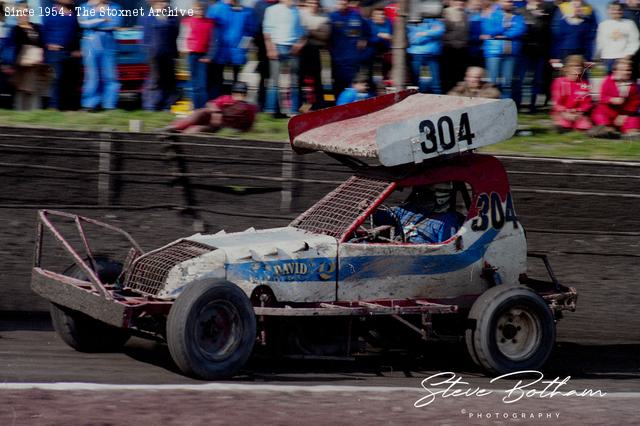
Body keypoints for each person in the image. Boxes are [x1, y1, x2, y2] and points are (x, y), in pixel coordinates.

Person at [371, 183, 464, 244]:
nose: (421, 197)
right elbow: (384, 216)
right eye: (421, 193)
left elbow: (446, 252)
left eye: (427, 194)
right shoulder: (410, 209)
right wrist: (373, 211)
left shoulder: (448, 222)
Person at [77, 0, 123, 111]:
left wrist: (94, 22)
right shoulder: (84, 7)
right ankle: (90, 104)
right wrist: (103, 19)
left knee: (111, 75)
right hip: (89, 43)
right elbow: (83, 23)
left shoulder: (115, 7)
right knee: (92, 74)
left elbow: (115, 23)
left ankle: (110, 104)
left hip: (109, 44)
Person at [263, 0, 306, 116]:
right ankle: (270, 110)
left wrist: (298, 45)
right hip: (277, 45)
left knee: (294, 82)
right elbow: (267, 32)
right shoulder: (272, 10)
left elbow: (302, 31)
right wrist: (270, 48)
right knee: (274, 81)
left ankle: (294, 111)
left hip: (293, 48)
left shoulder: (297, 11)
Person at [163, 81, 258, 133]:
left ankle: (180, 136)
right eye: (237, 93)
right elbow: (210, 103)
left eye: (242, 94)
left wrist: (236, 130)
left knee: (198, 129)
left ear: (246, 95)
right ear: (232, 93)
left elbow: (248, 127)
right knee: (200, 112)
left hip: (218, 126)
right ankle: (172, 127)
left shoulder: (250, 108)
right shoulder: (226, 99)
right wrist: (217, 113)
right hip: (209, 117)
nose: (239, 96)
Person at [206, 0, 256, 99]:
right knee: (217, 79)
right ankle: (216, 102)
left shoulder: (246, 11)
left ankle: (235, 103)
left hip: (237, 52)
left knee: (236, 81)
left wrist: (243, 46)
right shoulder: (216, 8)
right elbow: (208, 27)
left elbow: (250, 31)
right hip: (218, 52)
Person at [5, 4, 51, 110]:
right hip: (22, 67)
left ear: (29, 14)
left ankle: (34, 114)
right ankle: (20, 114)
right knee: (22, 91)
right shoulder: (15, 30)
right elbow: (10, 47)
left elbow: (42, 44)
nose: (23, 15)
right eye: (20, 13)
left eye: (25, 13)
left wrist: (39, 55)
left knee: (34, 90)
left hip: (36, 66)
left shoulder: (36, 28)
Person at [514, 0, 555, 112]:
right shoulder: (520, 10)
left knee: (536, 80)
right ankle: (517, 104)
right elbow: (519, 29)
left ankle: (532, 105)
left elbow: (549, 31)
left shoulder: (546, 10)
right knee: (521, 79)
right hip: (524, 51)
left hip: (540, 51)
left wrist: (542, 17)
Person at [481, 0, 526, 99]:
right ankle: (491, 106)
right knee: (492, 82)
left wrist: (503, 35)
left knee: (507, 83)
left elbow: (520, 30)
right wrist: (504, 26)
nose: (509, 3)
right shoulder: (491, 14)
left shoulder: (517, 15)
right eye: (507, 1)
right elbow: (488, 30)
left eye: (511, 2)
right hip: (493, 51)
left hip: (510, 51)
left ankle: (506, 108)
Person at [42, 0, 81, 110]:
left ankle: (67, 108)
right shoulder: (51, 12)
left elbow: (77, 33)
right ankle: (53, 107)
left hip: (68, 52)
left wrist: (77, 49)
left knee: (69, 80)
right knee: (55, 79)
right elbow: (44, 30)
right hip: (54, 53)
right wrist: (48, 44)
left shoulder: (74, 13)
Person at [142, 0, 180, 111]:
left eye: (164, 2)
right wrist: (149, 51)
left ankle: (167, 106)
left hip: (169, 53)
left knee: (169, 80)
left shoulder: (172, 17)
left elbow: (175, 33)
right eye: (159, 2)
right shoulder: (147, 16)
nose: (162, 5)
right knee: (155, 80)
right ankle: (151, 106)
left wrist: (175, 53)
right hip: (154, 54)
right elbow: (146, 37)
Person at [328, 0, 369, 99]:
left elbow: (367, 30)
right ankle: (337, 106)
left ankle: (352, 105)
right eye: (340, 3)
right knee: (338, 84)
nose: (343, 5)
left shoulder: (355, 15)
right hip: (337, 58)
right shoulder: (331, 17)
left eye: (345, 3)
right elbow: (327, 36)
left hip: (353, 57)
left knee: (353, 84)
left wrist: (364, 39)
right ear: (336, 4)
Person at [591, 59, 640, 138]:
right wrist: (611, 99)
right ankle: (607, 130)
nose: (626, 72)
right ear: (615, 71)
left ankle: (630, 132)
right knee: (599, 115)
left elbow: (634, 102)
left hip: (622, 113)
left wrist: (625, 114)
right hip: (607, 111)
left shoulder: (632, 86)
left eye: (628, 70)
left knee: (633, 120)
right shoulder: (608, 81)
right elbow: (602, 97)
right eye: (622, 70)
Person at [407, 3, 445, 94]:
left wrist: (423, 33)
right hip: (416, 54)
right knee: (415, 82)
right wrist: (430, 34)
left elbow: (440, 31)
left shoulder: (433, 20)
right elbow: (414, 39)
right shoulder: (410, 23)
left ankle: (438, 99)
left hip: (432, 54)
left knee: (436, 83)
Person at [182, 2, 214, 109]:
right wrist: (184, 50)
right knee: (194, 84)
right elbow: (183, 37)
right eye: (197, 10)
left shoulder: (209, 23)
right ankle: (196, 107)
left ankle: (203, 108)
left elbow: (213, 41)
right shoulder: (187, 22)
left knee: (202, 84)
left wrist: (209, 56)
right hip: (192, 55)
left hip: (203, 56)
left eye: (201, 10)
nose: (199, 12)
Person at [550, 55, 593, 132]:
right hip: (562, 113)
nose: (576, 68)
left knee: (584, 126)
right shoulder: (558, 82)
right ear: (566, 68)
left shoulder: (584, 84)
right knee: (563, 125)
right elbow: (556, 103)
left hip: (578, 113)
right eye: (573, 66)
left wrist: (579, 112)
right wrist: (564, 113)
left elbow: (587, 103)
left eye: (579, 66)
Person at [299, 0, 329, 111]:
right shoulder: (300, 14)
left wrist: (309, 32)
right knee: (300, 79)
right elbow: (299, 32)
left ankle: (319, 105)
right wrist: (315, 31)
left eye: (315, 3)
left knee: (317, 80)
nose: (312, 5)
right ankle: (301, 104)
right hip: (301, 50)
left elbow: (325, 35)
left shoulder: (323, 17)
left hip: (315, 51)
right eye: (310, 3)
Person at [595, 1, 639, 73]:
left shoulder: (629, 23)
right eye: (613, 9)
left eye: (619, 9)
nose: (616, 12)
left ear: (622, 11)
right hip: (608, 58)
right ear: (608, 11)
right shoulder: (603, 25)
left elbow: (634, 41)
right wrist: (598, 57)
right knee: (609, 80)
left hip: (624, 59)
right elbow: (600, 42)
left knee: (624, 82)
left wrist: (628, 54)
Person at [550, 0, 597, 65]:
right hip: (564, 52)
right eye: (575, 6)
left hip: (581, 51)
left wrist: (589, 57)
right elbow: (556, 37)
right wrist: (555, 56)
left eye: (579, 7)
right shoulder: (562, 11)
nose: (577, 8)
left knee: (580, 72)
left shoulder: (589, 13)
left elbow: (590, 38)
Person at [253, 0, 278, 110]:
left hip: (277, 44)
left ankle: (273, 105)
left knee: (275, 77)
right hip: (263, 46)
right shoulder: (259, 5)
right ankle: (261, 102)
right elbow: (256, 27)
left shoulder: (279, 4)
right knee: (264, 76)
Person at [441, 0, 469, 94]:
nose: (460, 2)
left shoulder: (465, 14)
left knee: (460, 75)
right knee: (448, 75)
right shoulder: (444, 13)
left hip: (462, 49)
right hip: (448, 48)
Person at [364, 7, 392, 93]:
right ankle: (371, 91)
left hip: (385, 51)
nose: (381, 16)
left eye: (383, 14)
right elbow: (367, 38)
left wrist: (387, 37)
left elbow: (392, 36)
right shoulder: (368, 24)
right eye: (378, 14)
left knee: (388, 67)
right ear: (372, 16)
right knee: (369, 73)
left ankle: (385, 87)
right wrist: (379, 36)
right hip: (371, 51)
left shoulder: (388, 23)